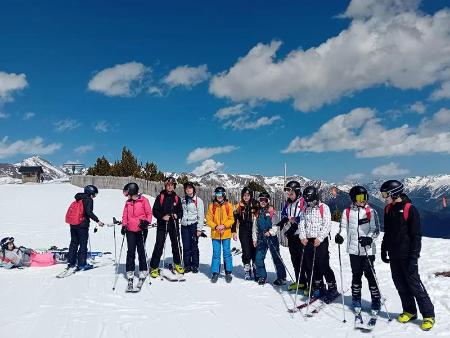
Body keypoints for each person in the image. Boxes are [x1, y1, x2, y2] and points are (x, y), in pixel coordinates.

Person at [380, 180, 435, 331]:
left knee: (415, 285)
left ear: (394, 193)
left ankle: (429, 315)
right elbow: (388, 232)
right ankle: (410, 311)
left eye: (385, 194)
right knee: (400, 285)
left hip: (407, 255)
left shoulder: (409, 209)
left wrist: (414, 258)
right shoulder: (387, 209)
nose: (384, 197)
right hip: (394, 255)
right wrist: (383, 249)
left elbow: (416, 236)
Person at [335, 186, 381, 319]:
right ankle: (356, 298)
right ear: (354, 198)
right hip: (353, 250)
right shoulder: (347, 212)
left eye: (365, 197)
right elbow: (343, 228)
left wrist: (369, 238)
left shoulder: (371, 211)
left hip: (367, 250)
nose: (363, 200)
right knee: (356, 275)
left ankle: (376, 299)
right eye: (360, 198)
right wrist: (340, 236)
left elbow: (376, 230)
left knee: (371, 275)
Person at [299, 186, 338, 303]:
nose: (308, 203)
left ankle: (332, 287)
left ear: (316, 197)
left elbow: (327, 224)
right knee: (311, 264)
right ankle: (318, 286)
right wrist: (303, 236)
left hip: (321, 241)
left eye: (310, 200)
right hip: (309, 240)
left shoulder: (323, 208)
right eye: (307, 201)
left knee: (323, 263)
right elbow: (302, 223)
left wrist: (320, 238)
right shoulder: (305, 209)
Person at [149, 177, 184, 278]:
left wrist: (177, 215)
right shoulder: (160, 197)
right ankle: (154, 266)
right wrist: (162, 216)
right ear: (165, 186)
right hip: (162, 224)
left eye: (172, 185)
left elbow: (180, 211)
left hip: (174, 224)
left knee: (176, 244)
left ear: (174, 186)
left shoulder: (177, 198)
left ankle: (177, 263)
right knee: (159, 245)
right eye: (168, 185)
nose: (170, 186)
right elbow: (155, 211)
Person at [65, 185, 104, 274]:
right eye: (94, 194)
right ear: (91, 193)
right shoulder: (89, 200)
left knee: (74, 242)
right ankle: (82, 264)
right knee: (83, 243)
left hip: (73, 223)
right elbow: (88, 212)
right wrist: (97, 221)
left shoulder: (79, 198)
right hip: (82, 225)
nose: (94, 196)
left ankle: (71, 262)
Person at [121, 182, 152, 290]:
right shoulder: (128, 203)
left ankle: (143, 272)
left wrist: (146, 222)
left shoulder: (144, 200)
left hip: (141, 230)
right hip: (130, 230)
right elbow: (125, 215)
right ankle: (130, 272)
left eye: (128, 193)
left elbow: (149, 213)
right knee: (130, 251)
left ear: (132, 191)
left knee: (141, 250)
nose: (127, 196)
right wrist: (124, 225)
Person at [277, 180, 306, 292]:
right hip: (291, 234)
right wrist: (283, 220)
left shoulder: (303, 202)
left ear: (298, 192)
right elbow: (284, 213)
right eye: (288, 194)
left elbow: (306, 216)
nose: (289, 196)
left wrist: (295, 220)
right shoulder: (288, 203)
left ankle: (308, 282)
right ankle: (300, 281)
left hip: (301, 235)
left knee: (303, 259)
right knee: (295, 259)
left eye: (291, 194)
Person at [253, 191, 287, 285]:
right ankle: (262, 276)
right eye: (261, 200)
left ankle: (281, 277)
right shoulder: (257, 213)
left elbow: (276, 226)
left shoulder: (272, 212)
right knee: (259, 257)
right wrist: (254, 238)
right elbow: (255, 227)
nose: (263, 202)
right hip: (261, 238)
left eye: (265, 200)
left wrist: (271, 232)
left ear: (268, 201)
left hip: (271, 238)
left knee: (276, 257)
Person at [206, 186, 235, 283]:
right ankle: (215, 272)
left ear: (224, 194)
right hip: (215, 234)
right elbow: (208, 220)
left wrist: (224, 225)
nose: (219, 196)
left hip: (226, 233)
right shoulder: (212, 206)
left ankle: (228, 272)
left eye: (220, 194)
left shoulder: (228, 206)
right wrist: (215, 227)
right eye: (217, 194)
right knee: (216, 253)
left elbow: (232, 219)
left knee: (227, 253)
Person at [232, 186, 258, 280]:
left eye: (248, 195)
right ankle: (247, 269)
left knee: (254, 250)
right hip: (243, 229)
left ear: (250, 196)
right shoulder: (239, 206)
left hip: (253, 228)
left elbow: (264, 208)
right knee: (246, 251)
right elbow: (234, 220)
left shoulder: (255, 204)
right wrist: (234, 231)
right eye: (244, 195)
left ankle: (255, 268)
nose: (246, 197)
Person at [180, 181, 205, 274]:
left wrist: (199, 229)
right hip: (184, 226)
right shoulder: (182, 200)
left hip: (193, 225)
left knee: (193, 246)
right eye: (186, 188)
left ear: (193, 189)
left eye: (190, 188)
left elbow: (201, 216)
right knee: (186, 246)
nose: (188, 190)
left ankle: (195, 265)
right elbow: (179, 211)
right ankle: (187, 265)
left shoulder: (198, 201)